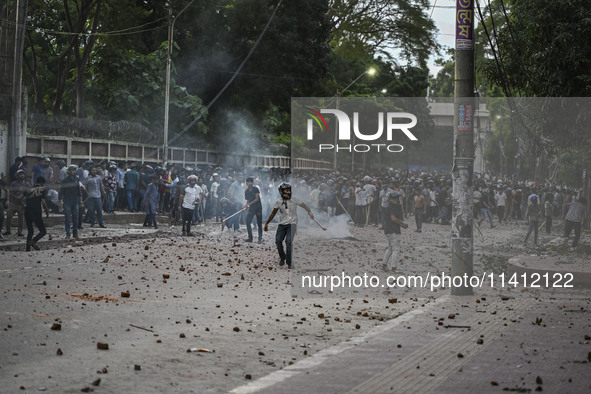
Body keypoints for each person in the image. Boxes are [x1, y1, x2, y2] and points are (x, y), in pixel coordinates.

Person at [263, 183, 314, 269]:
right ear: (281, 192)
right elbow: (273, 213)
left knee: (289, 242)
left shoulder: (295, 199)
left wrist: (310, 212)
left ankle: (289, 262)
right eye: (286, 190)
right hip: (282, 224)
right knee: (278, 241)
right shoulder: (278, 202)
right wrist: (267, 223)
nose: (288, 192)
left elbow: (305, 206)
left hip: (292, 224)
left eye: (289, 190)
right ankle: (283, 257)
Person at [382, 190, 409, 272]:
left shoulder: (388, 207)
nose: (398, 200)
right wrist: (402, 224)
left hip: (388, 230)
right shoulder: (393, 207)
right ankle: (394, 267)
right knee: (396, 249)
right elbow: (393, 218)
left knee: (390, 248)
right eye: (397, 198)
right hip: (393, 230)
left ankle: (384, 264)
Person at [24, 176, 49, 251]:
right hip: (36, 212)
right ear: (42, 183)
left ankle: (27, 249)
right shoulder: (42, 189)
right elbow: (43, 202)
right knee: (43, 231)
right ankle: (33, 241)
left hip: (27, 211)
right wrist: (47, 211)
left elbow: (20, 198)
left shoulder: (28, 189)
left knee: (30, 231)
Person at [3, 169, 30, 236]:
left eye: (23, 174)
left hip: (22, 204)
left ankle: (19, 232)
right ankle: (8, 230)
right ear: (17, 176)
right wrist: (9, 200)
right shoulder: (14, 183)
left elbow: (29, 193)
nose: (22, 175)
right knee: (9, 216)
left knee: (21, 219)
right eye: (20, 174)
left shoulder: (27, 184)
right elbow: (10, 192)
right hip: (13, 203)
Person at [61, 165, 82, 239]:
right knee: (67, 218)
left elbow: (79, 190)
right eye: (73, 170)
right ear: (69, 172)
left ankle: (75, 233)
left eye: (74, 170)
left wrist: (80, 200)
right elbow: (61, 191)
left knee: (75, 218)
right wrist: (60, 201)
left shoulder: (77, 179)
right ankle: (68, 233)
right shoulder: (65, 181)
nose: (74, 171)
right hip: (67, 201)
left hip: (75, 201)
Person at [243, 176, 263, 243]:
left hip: (258, 208)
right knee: (248, 222)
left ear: (252, 183)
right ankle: (250, 238)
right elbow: (248, 201)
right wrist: (245, 206)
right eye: (248, 182)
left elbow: (257, 199)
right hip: (251, 208)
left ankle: (260, 238)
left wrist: (249, 204)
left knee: (259, 223)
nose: (249, 183)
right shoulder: (246, 192)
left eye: (251, 182)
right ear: (246, 183)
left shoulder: (256, 189)